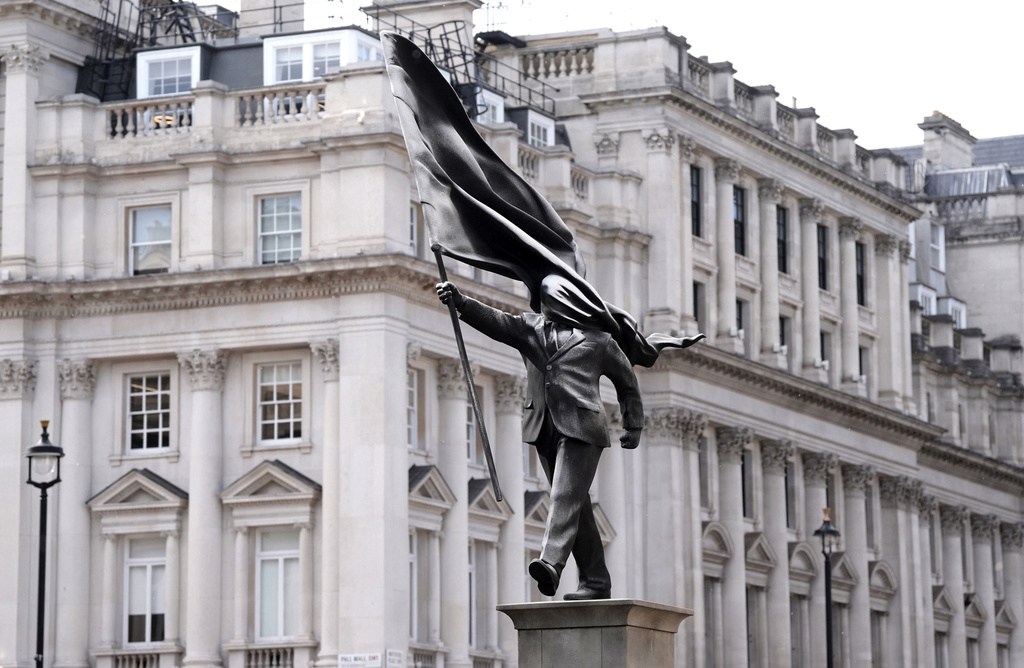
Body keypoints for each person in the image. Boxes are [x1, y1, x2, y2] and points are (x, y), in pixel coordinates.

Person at [437, 277, 644, 601]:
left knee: (563, 496)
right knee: (578, 506)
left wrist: (633, 425)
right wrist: (462, 303)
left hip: (583, 428)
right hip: (543, 426)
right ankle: (597, 581)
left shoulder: (598, 340)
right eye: (543, 302)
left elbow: (627, 382)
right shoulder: (530, 328)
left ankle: (550, 564)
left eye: (551, 301)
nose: (544, 307)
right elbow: (497, 321)